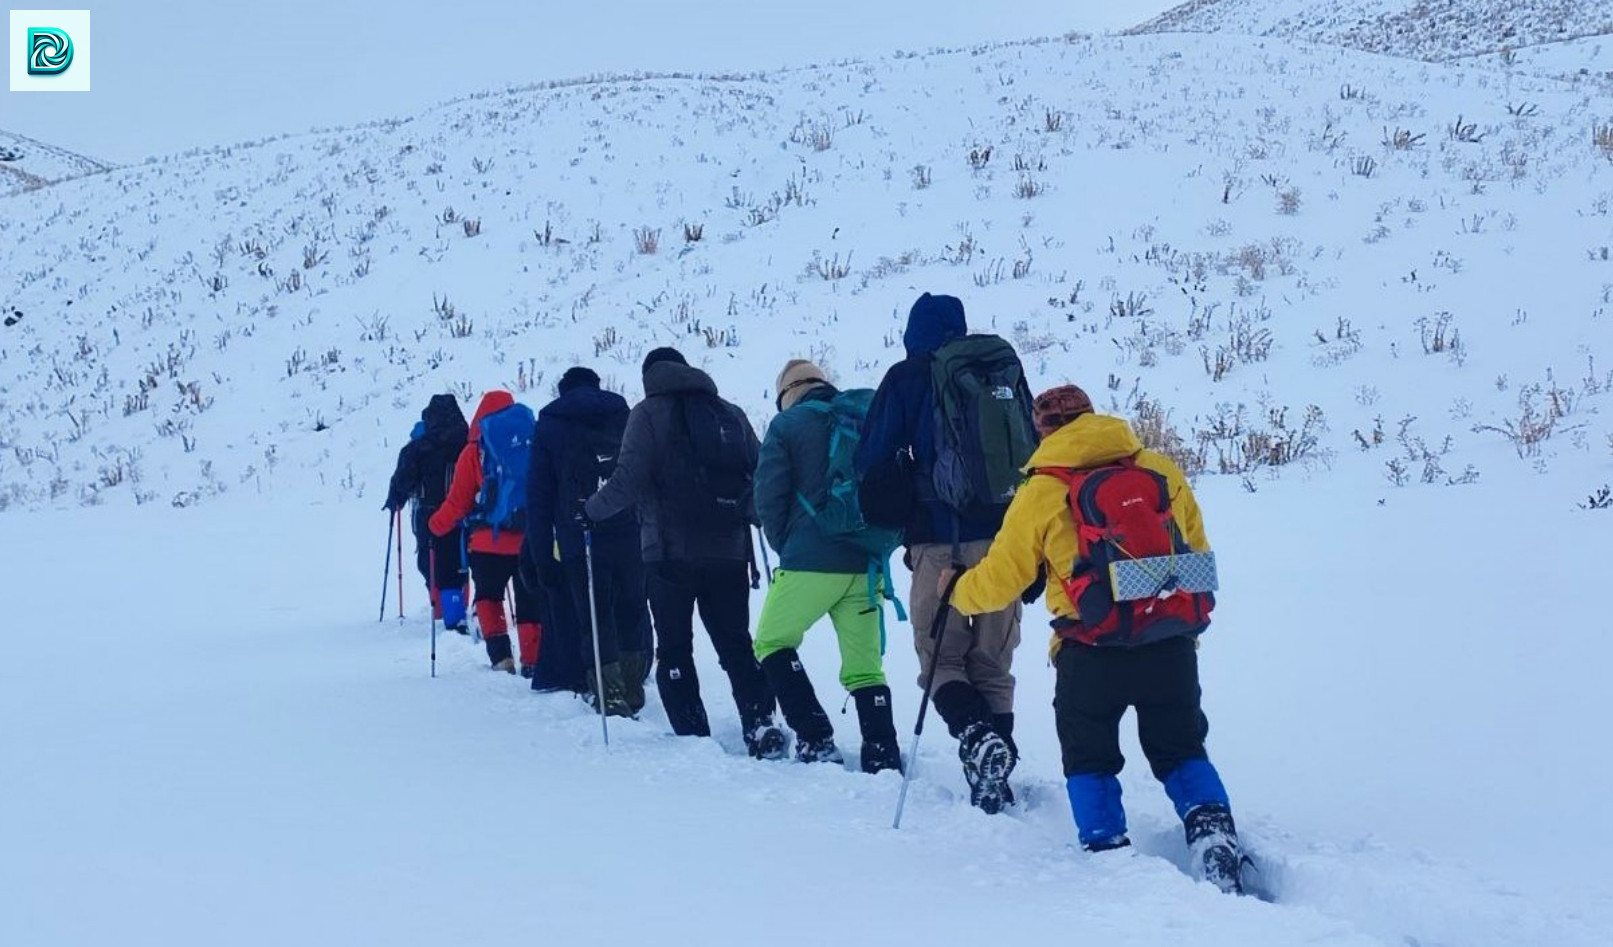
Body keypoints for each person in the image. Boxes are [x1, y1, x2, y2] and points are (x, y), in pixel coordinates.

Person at [944, 385, 1245, 893]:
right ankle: (1212, 830)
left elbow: (1002, 578)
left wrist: (957, 592)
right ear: (1092, 415)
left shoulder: (1042, 489)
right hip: (1167, 638)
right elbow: (1195, 547)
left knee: (1089, 756)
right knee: (1182, 746)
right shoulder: (1158, 469)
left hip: (1089, 648)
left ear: (1042, 429)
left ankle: (1108, 852)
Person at [854, 292, 1032, 812]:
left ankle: (978, 739)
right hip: (1006, 543)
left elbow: (871, 460)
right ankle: (995, 775)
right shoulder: (1000, 371)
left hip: (938, 542)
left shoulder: (906, 378)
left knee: (941, 660)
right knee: (994, 663)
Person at [584, 347, 785, 758]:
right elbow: (764, 469)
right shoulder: (727, 411)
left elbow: (627, 480)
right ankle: (760, 723)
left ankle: (693, 735)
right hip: (729, 550)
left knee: (675, 646)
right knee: (735, 644)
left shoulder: (646, 413)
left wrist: (589, 512)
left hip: (669, 553)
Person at [752, 360, 902, 772]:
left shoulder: (787, 426)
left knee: (772, 641)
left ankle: (816, 737)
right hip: (867, 561)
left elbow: (768, 496)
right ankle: (882, 752)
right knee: (865, 666)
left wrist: (789, 546)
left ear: (787, 394)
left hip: (810, 561)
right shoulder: (863, 417)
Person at [524, 366, 651, 717]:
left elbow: (539, 495)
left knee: (594, 615)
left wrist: (540, 554)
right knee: (630, 609)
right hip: (628, 530)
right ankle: (633, 689)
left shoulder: (551, 422)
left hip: (578, 535)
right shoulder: (622, 414)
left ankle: (608, 696)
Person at [428, 390, 543, 675]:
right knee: (530, 600)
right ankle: (533, 659)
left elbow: (458, 503)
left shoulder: (474, 451)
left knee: (489, 597)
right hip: (528, 538)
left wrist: (435, 526)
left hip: (487, 543)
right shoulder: (531, 442)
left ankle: (502, 658)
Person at [382, 394, 469, 633]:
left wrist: (395, 499)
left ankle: (443, 609)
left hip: (430, 514)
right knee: (461, 560)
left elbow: (403, 480)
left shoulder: (419, 448)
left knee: (430, 560)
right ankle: (459, 604)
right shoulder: (469, 442)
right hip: (467, 512)